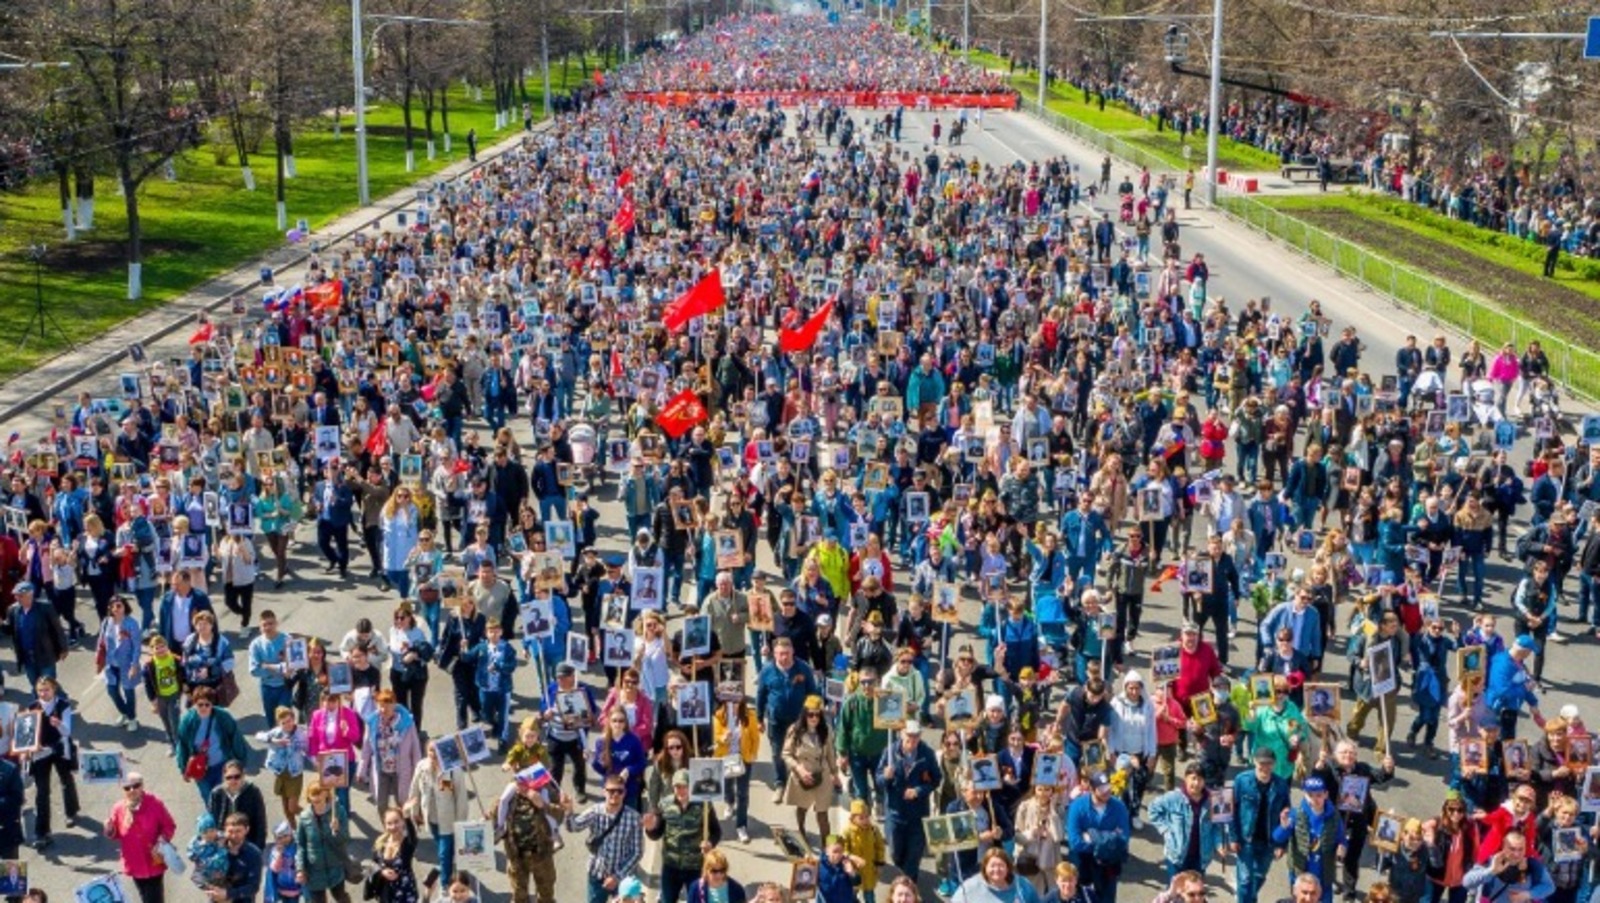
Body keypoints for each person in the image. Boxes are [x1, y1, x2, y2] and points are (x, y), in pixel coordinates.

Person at [565, 774, 645, 903]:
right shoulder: (595, 811)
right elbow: (574, 827)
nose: (615, 794)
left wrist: (617, 876)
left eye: (619, 791)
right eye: (611, 791)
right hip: (597, 873)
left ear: (624, 793)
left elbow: (637, 852)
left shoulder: (634, 818)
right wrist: (568, 811)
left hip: (622, 878)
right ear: (604, 792)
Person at [647, 771, 721, 903]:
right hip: (671, 866)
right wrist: (650, 828)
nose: (681, 791)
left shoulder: (704, 805)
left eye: (684, 786)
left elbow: (716, 831)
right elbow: (656, 833)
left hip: (695, 866)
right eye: (677, 787)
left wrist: (710, 843)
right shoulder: (665, 804)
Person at [881, 720, 940, 883]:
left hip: (918, 814)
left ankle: (909, 885)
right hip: (895, 813)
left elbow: (936, 779)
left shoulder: (927, 753)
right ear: (901, 734)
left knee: (914, 855)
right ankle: (905, 873)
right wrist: (885, 777)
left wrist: (919, 791)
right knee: (895, 852)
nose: (912, 740)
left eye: (916, 736)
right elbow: (879, 780)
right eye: (909, 736)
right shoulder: (890, 751)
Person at [24, 676, 80, 851]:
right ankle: (42, 832)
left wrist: (59, 725)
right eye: (40, 690)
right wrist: (30, 748)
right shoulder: (32, 708)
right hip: (41, 752)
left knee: (66, 780)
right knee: (42, 792)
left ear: (54, 689)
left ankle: (71, 811)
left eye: (46, 689)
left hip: (59, 748)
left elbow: (67, 731)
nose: (43, 693)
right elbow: (27, 735)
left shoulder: (63, 705)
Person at [105, 771, 178, 903]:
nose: (132, 790)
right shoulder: (118, 808)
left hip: (154, 860)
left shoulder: (155, 803)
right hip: (135, 862)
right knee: (145, 896)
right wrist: (110, 830)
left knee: (153, 899)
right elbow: (116, 834)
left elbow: (169, 826)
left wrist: (162, 839)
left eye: (136, 785)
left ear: (142, 785)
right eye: (127, 788)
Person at [1232, 748, 1292, 903]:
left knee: (1259, 877)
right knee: (1245, 880)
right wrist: (1233, 837)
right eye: (1261, 763)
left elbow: (1286, 816)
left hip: (1269, 842)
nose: (1265, 767)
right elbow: (1232, 810)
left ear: (1274, 764)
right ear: (1254, 762)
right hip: (1246, 839)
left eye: (1269, 764)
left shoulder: (1281, 785)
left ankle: (1247, 899)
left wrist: (1282, 844)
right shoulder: (1241, 781)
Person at [1147, 763, 1226, 879]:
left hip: (1201, 858)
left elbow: (1218, 827)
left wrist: (1219, 844)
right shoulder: (1173, 797)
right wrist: (1166, 830)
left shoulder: (1214, 799)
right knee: (1176, 893)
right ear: (1185, 779)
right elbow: (1153, 809)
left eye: (1200, 779)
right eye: (1193, 778)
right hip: (1176, 856)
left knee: (1194, 893)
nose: (1196, 783)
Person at [783, 694, 841, 845]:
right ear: (804, 714)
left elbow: (830, 753)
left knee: (822, 813)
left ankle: (826, 846)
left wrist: (835, 773)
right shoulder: (795, 730)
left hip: (821, 774)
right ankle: (801, 832)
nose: (814, 718)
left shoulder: (825, 730)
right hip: (802, 775)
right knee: (802, 807)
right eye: (810, 715)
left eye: (817, 715)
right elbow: (786, 754)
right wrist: (799, 769)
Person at [1064, 772, 1131, 903]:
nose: (1107, 792)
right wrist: (1110, 838)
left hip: (1109, 863)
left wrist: (1092, 837)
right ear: (1091, 789)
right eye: (1102, 789)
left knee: (1107, 899)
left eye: (1108, 787)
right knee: (1080, 898)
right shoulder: (1077, 806)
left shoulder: (1119, 806)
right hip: (1083, 863)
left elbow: (1123, 839)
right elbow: (1075, 842)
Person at [496, 774, 559, 903]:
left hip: (542, 857)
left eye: (525, 783)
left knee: (546, 896)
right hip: (517, 858)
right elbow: (492, 820)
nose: (521, 786)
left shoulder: (544, 794)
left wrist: (543, 805)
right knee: (519, 897)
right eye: (518, 783)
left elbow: (560, 815)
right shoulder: (507, 800)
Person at [295, 782, 354, 903]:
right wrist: (300, 868)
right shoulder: (304, 817)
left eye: (319, 797)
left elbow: (345, 839)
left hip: (335, 867)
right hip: (314, 872)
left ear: (326, 795)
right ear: (309, 797)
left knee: (341, 898)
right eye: (313, 797)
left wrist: (337, 830)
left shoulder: (338, 812)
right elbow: (300, 845)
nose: (316, 801)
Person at [1463, 830, 1554, 901]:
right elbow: (1466, 882)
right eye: (1512, 849)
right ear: (1503, 846)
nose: (1516, 854)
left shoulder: (1532, 864)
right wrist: (1491, 871)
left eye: (1520, 849)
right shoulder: (1491, 861)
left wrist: (1528, 894)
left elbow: (1549, 886)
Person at [7, 582, 68, 687]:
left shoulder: (45, 607)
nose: (17, 599)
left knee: (48, 684)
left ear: (30, 595)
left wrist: (63, 648)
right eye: (16, 596)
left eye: (20, 596)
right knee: (36, 686)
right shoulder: (13, 610)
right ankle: (42, 702)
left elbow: (58, 629)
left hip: (45, 655)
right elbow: (9, 630)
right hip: (27, 658)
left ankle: (60, 701)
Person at [208, 761, 269, 855]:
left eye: (237, 776)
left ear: (243, 775)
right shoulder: (217, 793)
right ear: (224, 777)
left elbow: (260, 821)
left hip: (248, 841)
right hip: (224, 843)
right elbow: (211, 819)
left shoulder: (253, 792)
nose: (233, 780)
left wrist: (259, 847)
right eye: (229, 777)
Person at [951, 848, 1042, 903]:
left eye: (1001, 865)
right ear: (985, 868)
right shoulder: (969, 888)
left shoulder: (1023, 885)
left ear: (1008, 867)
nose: (997, 870)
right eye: (992, 866)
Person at [369, 807, 418, 903]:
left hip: (405, 894)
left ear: (402, 822)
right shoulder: (380, 842)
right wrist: (382, 872)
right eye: (389, 823)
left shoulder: (407, 843)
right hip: (386, 893)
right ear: (384, 825)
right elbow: (372, 864)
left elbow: (412, 834)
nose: (393, 826)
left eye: (396, 822)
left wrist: (407, 816)